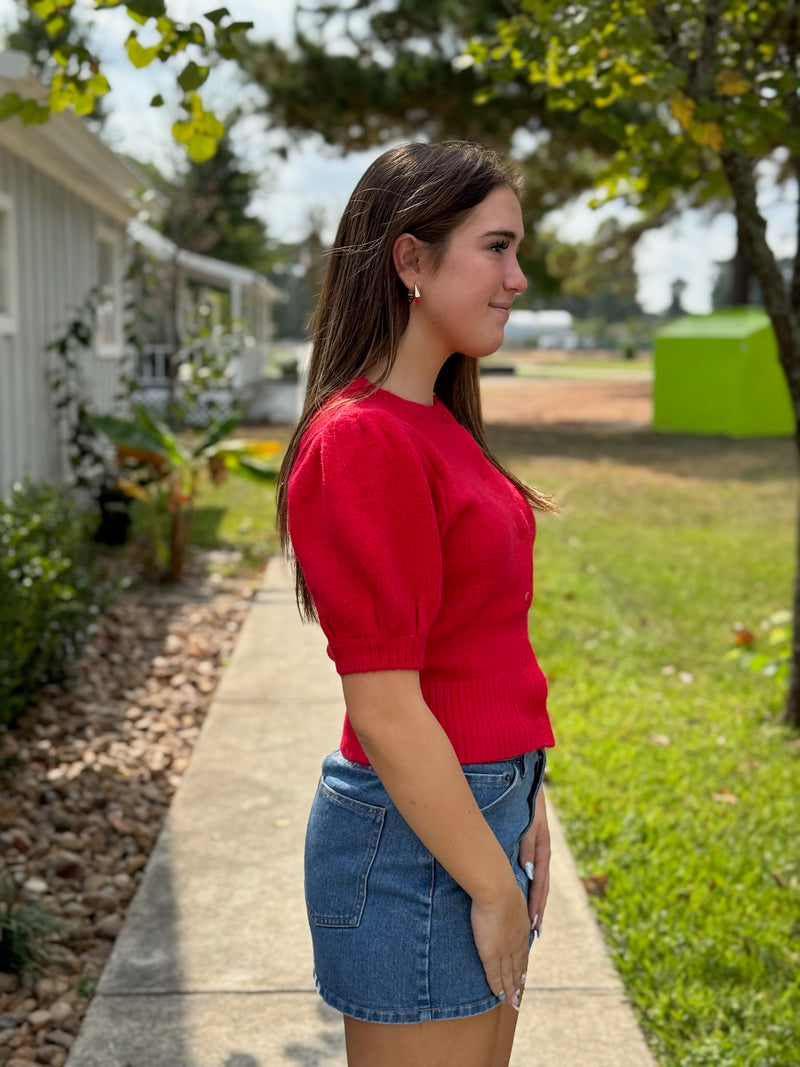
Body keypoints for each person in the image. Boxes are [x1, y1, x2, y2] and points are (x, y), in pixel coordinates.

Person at [276, 140, 557, 1067]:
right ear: (409, 259)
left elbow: (481, 653)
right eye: (497, 248)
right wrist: (490, 878)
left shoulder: (435, 422)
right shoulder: (362, 440)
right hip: (417, 840)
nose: (517, 278)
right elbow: (388, 708)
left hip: (480, 811)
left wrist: (526, 807)